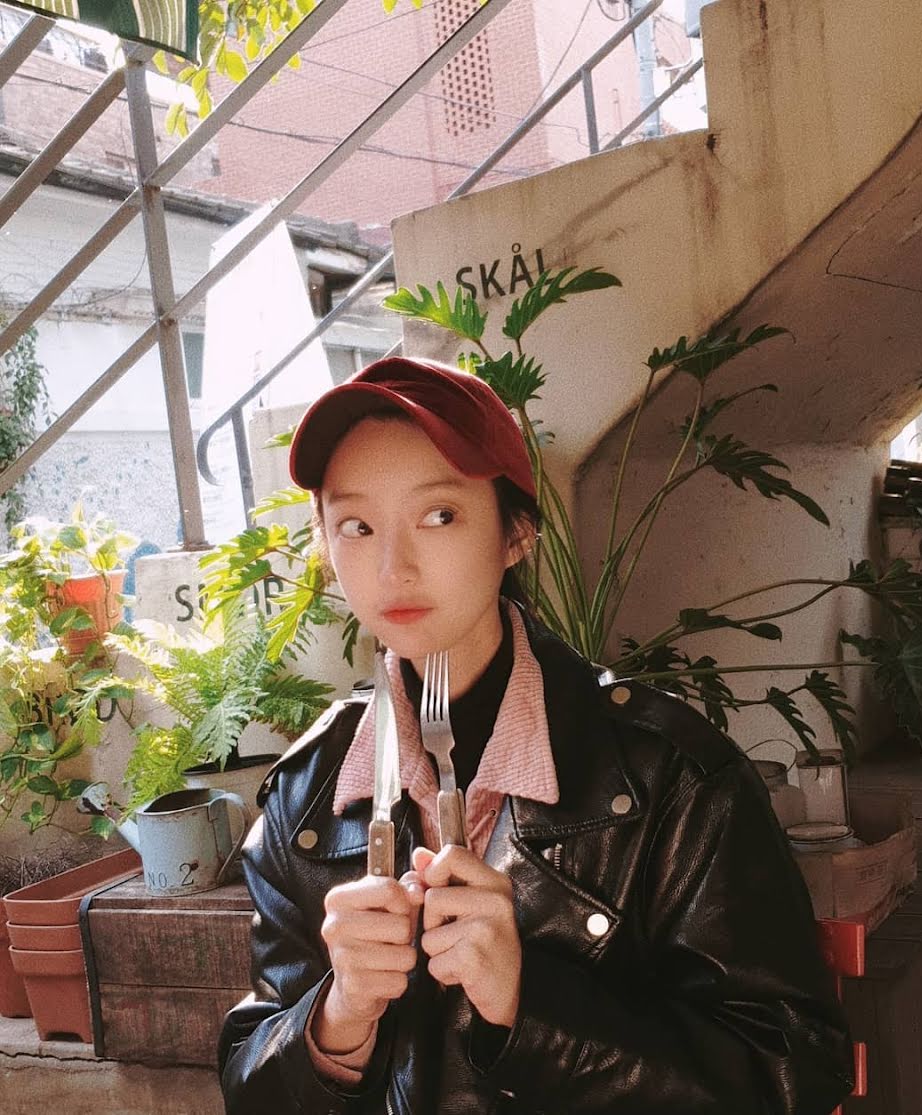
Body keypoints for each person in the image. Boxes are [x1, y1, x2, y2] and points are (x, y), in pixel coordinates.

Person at [218, 355, 854, 1114]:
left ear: (516, 532)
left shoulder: (671, 777)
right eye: (357, 526)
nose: (393, 567)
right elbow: (250, 1084)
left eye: (439, 515)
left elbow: (792, 1071)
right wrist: (335, 1019)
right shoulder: (304, 798)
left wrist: (531, 1002)